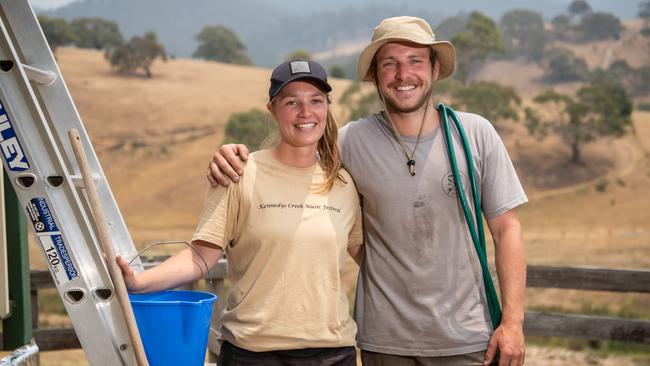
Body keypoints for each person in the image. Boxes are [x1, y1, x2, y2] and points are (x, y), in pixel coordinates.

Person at [208, 16, 527, 366]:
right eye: (390, 64)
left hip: (468, 339)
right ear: (375, 75)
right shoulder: (350, 142)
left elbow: (506, 228)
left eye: (415, 61)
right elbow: (289, 158)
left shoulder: (473, 134)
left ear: (435, 69)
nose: (403, 75)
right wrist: (233, 155)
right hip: (383, 342)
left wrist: (512, 323)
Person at [118, 59, 364, 366]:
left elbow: (367, 256)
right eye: (292, 102)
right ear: (272, 110)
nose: (306, 112)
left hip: (332, 353)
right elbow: (201, 256)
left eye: (316, 100)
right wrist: (138, 283)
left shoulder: (342, 182)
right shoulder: (239, 172)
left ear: (327, 107)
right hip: (252, 354)